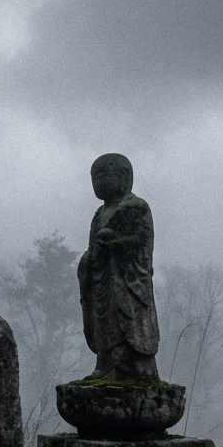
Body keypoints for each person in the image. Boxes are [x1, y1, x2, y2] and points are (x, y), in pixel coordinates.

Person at [77, 153, 160, 381]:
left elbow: (142, 246)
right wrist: (90, 260)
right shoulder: (99, 215)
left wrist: (114, 243)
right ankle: (104, 363)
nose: (97, 182)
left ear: (123, 175)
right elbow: (93, 247)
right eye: (94, 177)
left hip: (127, 280)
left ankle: (125, 365)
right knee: (103, 319)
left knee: (123, 316)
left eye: (103, 175)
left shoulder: (136, 207)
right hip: (102, 277)